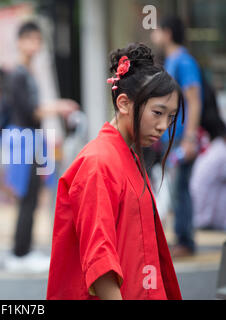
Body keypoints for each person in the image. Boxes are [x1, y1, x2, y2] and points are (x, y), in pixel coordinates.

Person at [47, 43, 183, 300]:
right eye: (157, 113)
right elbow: (100, 263)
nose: (163, 125)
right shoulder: (98, 162)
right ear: (123, 103)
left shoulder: (126, 155)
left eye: (171, 117)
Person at [2, 21, 78, 273]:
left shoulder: (27, 71)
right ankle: (20, 252)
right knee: (27, 196)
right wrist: (60, 106)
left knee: (33, 196)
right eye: (31, 39)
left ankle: (23, 249)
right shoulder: (18, 74)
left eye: (38, 40)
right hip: (24, 138)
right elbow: (30, 111)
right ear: (21, 41)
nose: (35, 45)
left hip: (30, 138)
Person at [151, 16, 203, 257]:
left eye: (157, 29)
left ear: (168, 32)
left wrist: (189, 138)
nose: (154, 35)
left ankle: (186, 240)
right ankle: (181, 238)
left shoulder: (183, 61)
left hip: (182, 139)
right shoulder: (172, 61)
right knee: (175, 187)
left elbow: (194, 100)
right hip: (171, 138)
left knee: (181, 188)